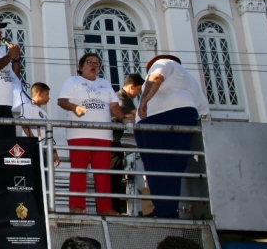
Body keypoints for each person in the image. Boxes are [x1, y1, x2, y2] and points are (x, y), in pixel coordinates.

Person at [135, 55, 210, 218]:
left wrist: (144, 101)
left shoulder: (163, 62)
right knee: (174, 164)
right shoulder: (190, 81)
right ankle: (167, 209)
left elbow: (156, 77)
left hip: (158, 117)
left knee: (156, 164)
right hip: (186, 115)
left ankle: (164, 210)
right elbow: (204, 111)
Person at [58, 53, 127, 215]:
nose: (93, 65)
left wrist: (123, 118)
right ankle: (76, 206)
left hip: (103, 134)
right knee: (79, 170)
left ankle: (105, 208)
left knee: (103, 172)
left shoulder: (104, 83)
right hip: (79, 133)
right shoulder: (73, 81)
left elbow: (114, 105)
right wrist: (75, 108)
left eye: (97, 63)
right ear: (80, 67)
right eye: (89, 62)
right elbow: (61, 101)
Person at [110, 73, 144, 214]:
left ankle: (114, 207)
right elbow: (133, 116)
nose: (138, 93)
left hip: (116, 142)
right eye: (138, 90)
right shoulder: (121, 99)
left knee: (116, 177)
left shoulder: (126, 99)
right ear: (131, 87)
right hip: (113, 142)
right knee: (113, 176)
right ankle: (113, 208)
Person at [20, 82, 60, 166]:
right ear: (39, 94)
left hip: (43, 148)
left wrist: (54, 152)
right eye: (47, 94)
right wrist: (33, 140)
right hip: (32, 147)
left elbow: (48, 134)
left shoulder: (44, 113)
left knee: (45, 174)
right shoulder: (27, 106)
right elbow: (24, 123)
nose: (49, 97)